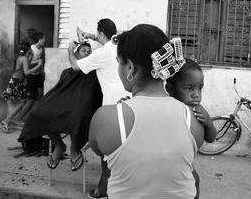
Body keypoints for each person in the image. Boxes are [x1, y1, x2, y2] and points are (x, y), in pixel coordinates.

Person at [89, 24, 216, 199]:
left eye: (119, 63)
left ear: (130, 67)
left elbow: (101, 151)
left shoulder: (105, 118)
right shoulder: (193, 120)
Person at [67, 18, 130, 199]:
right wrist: (92, 36)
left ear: (102, 34)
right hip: (130, 100)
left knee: (107, 151)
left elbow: (75, 66)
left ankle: (104, 190)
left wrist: (71, 50)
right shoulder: (121, 44)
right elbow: (110, 38)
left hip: (113, 105)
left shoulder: (102, 53)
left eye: (98, 34)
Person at [18, 42, 102, 170]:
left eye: (89, 52)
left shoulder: (95, 73)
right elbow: (59, 92)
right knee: (40, 111)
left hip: (82, 106)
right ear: (75, 53)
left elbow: (93, 97)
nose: (87, 53)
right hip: (66, 103)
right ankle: (59, 145)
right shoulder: (67, 72)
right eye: (83, 51)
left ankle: (75, 149)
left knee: (76, 114)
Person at [166, 58, 217, 199]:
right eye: (189, 88)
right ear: (170, 89)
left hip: (185, 166)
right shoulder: (166, 107)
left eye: (200, 88)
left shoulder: (199, 111)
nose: (196, 94)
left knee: (195, 180)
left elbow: (211, 138)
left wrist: (208, 123)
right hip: (165, 167)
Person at [0, 42, 42, 133]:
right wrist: (38, 65)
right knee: (25, 100)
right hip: (18, 81)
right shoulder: (24, 58)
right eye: (30, 49)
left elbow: (27, 65)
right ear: (28, 49)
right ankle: (7, 121)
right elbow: (27, 72)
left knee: (26, 100)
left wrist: (32, 56)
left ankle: (9, 120)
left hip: (17, 80)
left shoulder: (21, 58)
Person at [17, 32, 46, 125]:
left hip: (37, 74)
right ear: (40, 40)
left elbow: (40, 60)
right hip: (30, 76)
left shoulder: (41, 49)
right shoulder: (31, 49)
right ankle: (21, 118)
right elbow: (27, 65)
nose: (45, 40)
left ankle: (32, 114)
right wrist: (38, 64)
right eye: (44, 38)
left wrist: (41, 69)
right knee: (29, 98)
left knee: (40, 92)